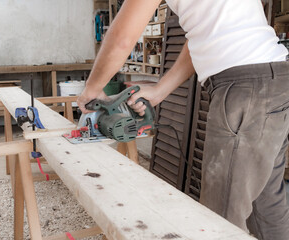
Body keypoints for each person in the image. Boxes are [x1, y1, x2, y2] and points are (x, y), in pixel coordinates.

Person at [77, 0, 289, 239]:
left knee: (219, 219)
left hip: (244, 87)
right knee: (266, 205)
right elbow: (201, 35)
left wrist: (93, 88)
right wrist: (160, 90)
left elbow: (121, 40)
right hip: (275, 79)